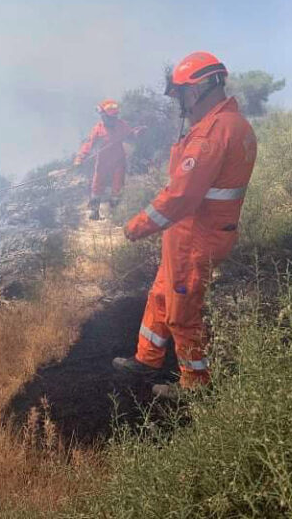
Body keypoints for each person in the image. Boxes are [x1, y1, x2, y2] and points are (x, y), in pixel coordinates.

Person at [113, 51, 257, 395]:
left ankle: (195, 385)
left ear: (196, 89)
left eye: (180, 94)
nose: (181, 103)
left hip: (196, 238)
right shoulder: (230, 124)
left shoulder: (212, 134)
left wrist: (138, 225)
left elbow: (181, 196)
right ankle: (147, 359)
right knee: (161, 294)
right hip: (191, 234)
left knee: (182, 311)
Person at [74, 99, 145, 220]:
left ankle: (115, 213)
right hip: (103, 160)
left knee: (118, 186)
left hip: (119, 160)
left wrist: (137, 134)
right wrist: (80, 158)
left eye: (114, 117)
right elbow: (88, 144)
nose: (112, 120)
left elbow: (130, 135)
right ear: (103, 115)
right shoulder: (98, 128)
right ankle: (94, 211)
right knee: (97, 184)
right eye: (110, 117)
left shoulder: (121, 125)